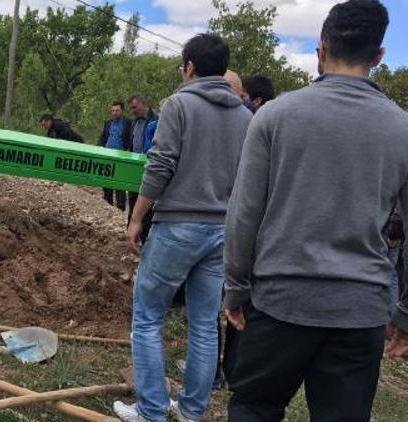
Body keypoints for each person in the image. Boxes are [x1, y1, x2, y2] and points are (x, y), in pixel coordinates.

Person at [223, 1, 408, 421]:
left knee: (255, 408)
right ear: (378, 56)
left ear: (320, 50)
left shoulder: (274, 116)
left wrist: (234, 286)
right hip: (359, 311)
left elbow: (244, 213)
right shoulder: (402, 129)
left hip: (279, 302)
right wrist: (405, 314)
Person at [113, 33, 252, 422]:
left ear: (189, 66)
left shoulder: (180, 104)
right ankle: (192, 412)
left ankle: (152, 410)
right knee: (206, 323)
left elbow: (160, 165)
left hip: (179, 225)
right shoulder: (245, 116)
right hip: (221, 230)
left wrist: (137, 218)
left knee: (148, 315)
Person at [126, 94, 158, 242]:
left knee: (146, 204)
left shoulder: (156, 121)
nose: (133, 111)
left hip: (149, 166)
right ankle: (131, 234)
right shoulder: (134, 123)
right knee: (132, 200)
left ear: (143, 103)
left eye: (134, 107)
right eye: (131, 108)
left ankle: (145, 237)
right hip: (134, 166)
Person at [98, 100, 132, 211]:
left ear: (122, 111)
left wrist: (129, 151)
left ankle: (120, 208)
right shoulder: (108, 123)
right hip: (107, 155)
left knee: (119, 183)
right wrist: (99, 148)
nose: (114, 113)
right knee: (106, 180)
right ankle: (107, 206)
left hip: (121, 156)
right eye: (112, 111)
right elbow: (103, 137)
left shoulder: (129, 123)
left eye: (117, 110)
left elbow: (131, 139)